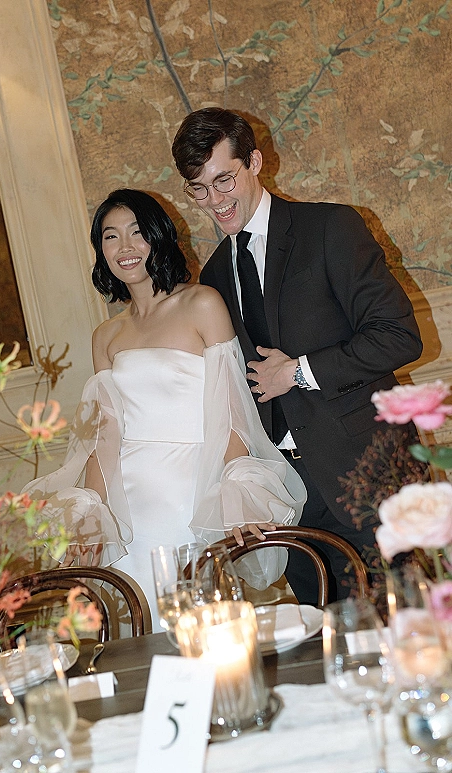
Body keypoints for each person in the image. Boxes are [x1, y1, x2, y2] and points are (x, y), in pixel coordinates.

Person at [171, 108, 423, 605]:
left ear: (256, 162)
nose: (214, 201)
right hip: (293, 497)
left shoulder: (330, 226)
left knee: (409, 636)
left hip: (369, 473)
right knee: (325, 646)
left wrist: (299, 372)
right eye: (198, 189)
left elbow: (399, 336)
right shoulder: (216, 274)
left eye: (224, 180)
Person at [22, 188, 306, 629]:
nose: (126, 247)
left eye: (137, 232)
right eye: (111, 237)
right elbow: (104, 437)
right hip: (131, 505)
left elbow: (230, 411)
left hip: (190, 492)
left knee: (206, 628)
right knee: (139, 626)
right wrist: (93, 511)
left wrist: (235, 493)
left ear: (158, 237)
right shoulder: (105, 336)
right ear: (101, 251)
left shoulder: (202, 303)